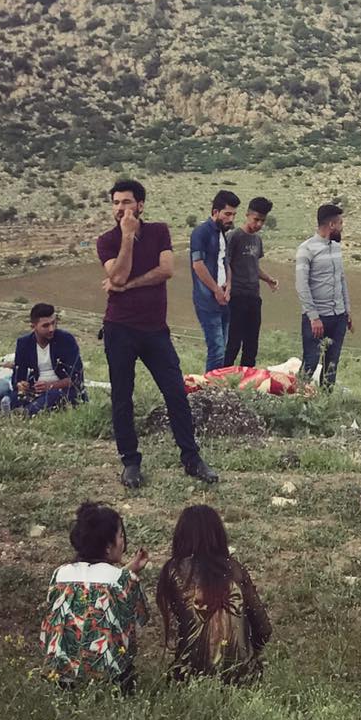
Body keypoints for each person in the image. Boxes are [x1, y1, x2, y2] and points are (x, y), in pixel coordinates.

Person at [97, 179, 218, 488]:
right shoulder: (107, 241)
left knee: (176, 392)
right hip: (119, 328)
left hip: (155, 330)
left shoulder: (159, 231)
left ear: (140, 205)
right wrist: (126, 237)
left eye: (126, 202)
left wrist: (126, 285)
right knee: (123, 396)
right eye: (116, 203)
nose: (120, 208)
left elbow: (166, 270)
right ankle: (130, 462)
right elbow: (118, 272)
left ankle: (191, 458)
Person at [40, 501, 149, 693]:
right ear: (108, 546)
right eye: (120, 536)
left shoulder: (60, 575)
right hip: (109, 681)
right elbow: (141, 619)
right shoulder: (123, 580)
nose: (123, 542)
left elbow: (91, 586)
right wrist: (130, 575)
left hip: (61, 677)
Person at [156, 505, 272, 685]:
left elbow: (173, 639)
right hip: (243, 680)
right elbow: (264, 629)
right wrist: (247, 657)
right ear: (218, 535)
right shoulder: (235, 569)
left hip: (191, 679)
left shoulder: (173, 571)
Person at [295, 204, 352, 388]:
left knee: (331, 366)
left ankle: (325, 405)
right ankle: (297, 403)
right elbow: (301, 285)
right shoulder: (307, 249)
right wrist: (313, 317)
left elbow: (341, 279)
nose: (342, 227)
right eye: (340, 223)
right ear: (332, 225)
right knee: (310, 363)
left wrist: (347, 311)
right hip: (317, 319)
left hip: (338, 316)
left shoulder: (336, 248)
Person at [225, 196, 279, 368]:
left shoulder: (257, 240)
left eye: (262, 221)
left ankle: (247, 379)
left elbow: (253, 266)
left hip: (253, 296)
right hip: (236, 296)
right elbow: (226, 263)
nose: (259, 224)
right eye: (256, 219)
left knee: (251, 343)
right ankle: (224, 375)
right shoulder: (234, 236)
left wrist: (268, 279)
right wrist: (228, 286)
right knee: (233, 341)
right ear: (247, 215)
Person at [190, 190, 240, 372]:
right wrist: (216, 290)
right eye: (227, 214)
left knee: (224, 347)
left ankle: (218, 386)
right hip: (207, 299)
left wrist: (228, 286)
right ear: (215, 212)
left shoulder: (223, 234)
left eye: (234, 214)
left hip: (224, 298)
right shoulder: (200, 233)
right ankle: (209, 390)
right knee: (217, 348)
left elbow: (225, 261)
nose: (231, 218)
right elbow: (198, 265)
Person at [12, 303, 87, 415]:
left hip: (62, 390)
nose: (51, 329)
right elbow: (18, 377)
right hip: (34, 390)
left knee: (54, 395)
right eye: (45, 325)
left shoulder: (66, 340)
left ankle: (27, 411)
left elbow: (76, 379)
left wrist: (50, 386)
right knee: (11, 395)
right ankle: (20, 406)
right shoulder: (24, 343)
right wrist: (22, 384)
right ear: (33, 326)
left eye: (53, 323)